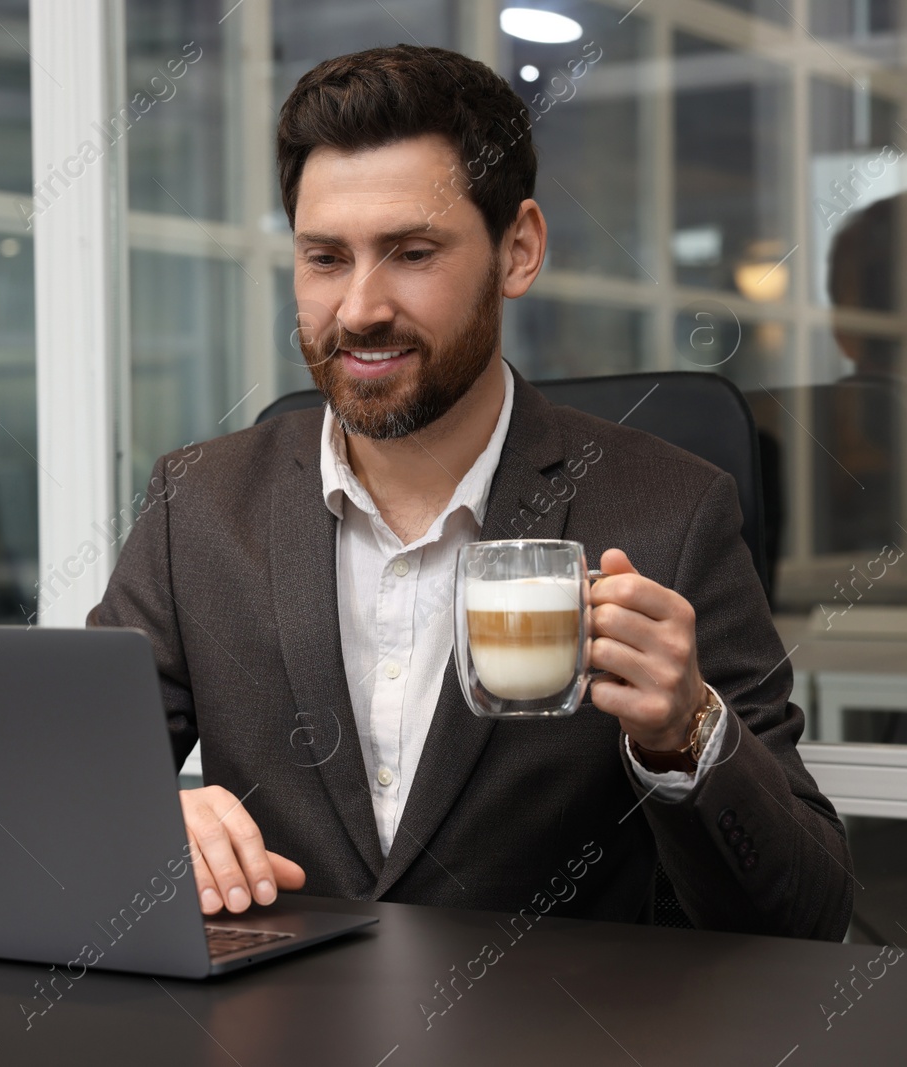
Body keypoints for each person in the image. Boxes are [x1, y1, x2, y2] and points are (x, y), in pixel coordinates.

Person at [89, 44, 852, 939]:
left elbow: (810, 913)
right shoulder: (197, 506)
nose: (361, 308)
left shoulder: (673, 512)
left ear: (518, 250)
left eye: (412, 252)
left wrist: (686, 732)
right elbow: (64, 776)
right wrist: (142, 824)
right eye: (326, 258)